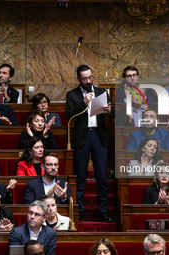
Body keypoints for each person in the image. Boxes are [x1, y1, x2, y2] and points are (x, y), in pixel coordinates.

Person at [65, 64, 115, 222]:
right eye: (84, 78)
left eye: (90, 77)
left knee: (101, 176)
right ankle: (79, 210)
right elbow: (68, 115)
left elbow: (113, 114)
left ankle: (103, 211)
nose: (88, 81)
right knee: (81, 176)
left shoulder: (101, 92)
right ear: (78, 79)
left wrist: (110, 111)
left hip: (99, 136)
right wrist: (84, 102)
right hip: (82, 137)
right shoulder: (72, 94)